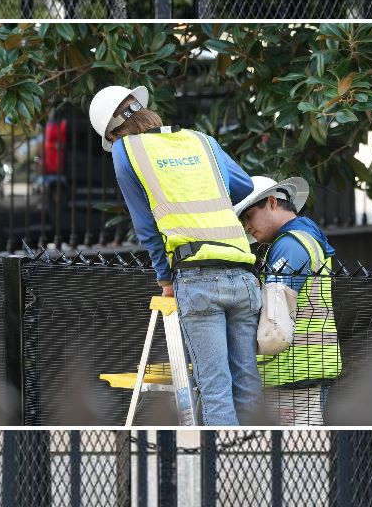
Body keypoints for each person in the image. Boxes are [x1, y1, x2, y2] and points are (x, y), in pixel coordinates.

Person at [90, 84, 262, 426]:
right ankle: (255, 461)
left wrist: (165, 279)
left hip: (197, 278)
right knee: (248, 384)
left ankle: (222, 471)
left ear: (113, 133)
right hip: (242, 272)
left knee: (214, 389)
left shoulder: (126, 151)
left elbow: (146, 227)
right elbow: (244, 186)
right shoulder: (201, 141)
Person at [234, 175, 343, 425]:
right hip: (302, 368)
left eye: (248, 215)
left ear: (272, 202)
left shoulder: (291, 245)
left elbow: (274, 320)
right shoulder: (305, 239)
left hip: (293, 372)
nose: (246, 226)